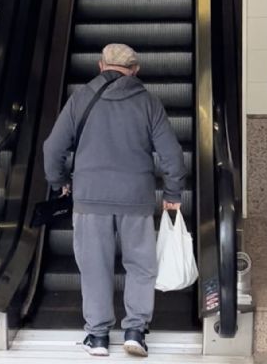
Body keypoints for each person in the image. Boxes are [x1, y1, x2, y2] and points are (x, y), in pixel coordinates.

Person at [43, 43, 187, 358]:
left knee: (94, 266)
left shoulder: (79, 99)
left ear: (100, 66)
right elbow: (172, 155)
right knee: (141, 265)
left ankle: (97, 337)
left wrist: (59, 182)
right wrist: (173, 193)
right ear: (135, 70)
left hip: (90, 197)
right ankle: (135, 330)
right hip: (135, 197)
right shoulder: (149, 103)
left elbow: (53, 148)